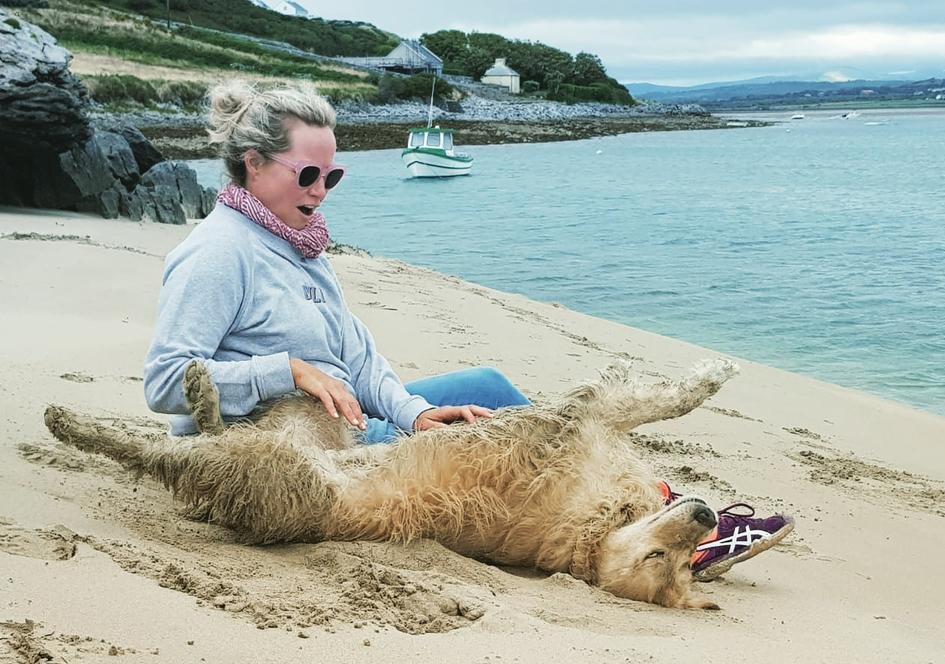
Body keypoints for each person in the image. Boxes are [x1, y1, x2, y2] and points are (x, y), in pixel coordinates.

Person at [143, 80, 792, 578]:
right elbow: (167, 386)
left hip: (348, 422)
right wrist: (284, 372)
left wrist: (415, 412)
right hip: (283, 452)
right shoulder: (218, 252)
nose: (322, 190)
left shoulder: (299, 242)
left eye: (332, 175)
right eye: (307, 174)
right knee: (506, 450)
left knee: (489, 391)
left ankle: (655, 506)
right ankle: (649, 540)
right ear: (254, 165)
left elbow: (356, 358)